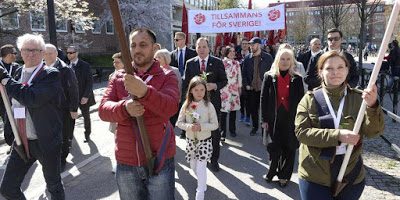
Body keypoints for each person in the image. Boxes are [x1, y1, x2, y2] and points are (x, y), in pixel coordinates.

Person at [98, 28, 179, 200]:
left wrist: (145, 92)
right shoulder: (118, 77)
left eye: (143, 45)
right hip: (126, 161)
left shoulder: (167, 75)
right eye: (133, 45)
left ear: (155, 47)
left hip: (160, 158)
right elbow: (103, 110)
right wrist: (124, 108)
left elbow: (171, 107)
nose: (137, 50)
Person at [295, 51, 384, 199]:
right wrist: (338, 136)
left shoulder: (359, 99)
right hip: (315, 174)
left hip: (350, 174)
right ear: (320, 72)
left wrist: (373, 106)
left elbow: (374, 132)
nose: (335, 72)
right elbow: (302, 133)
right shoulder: (308, 100)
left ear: (347, 70)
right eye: (329, 68)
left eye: (340, 67)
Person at [0, 33, 65, 199]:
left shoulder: (50, 74)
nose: (30, 54)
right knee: (7, 188)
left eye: (35, 50)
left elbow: (31, 98)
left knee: (54, 187)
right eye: (26, 50)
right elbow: (10, 104)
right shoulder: (15, 74)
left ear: (43, 53)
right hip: (21, 140)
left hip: (45, 142)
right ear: (20, 52)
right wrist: (10, 134)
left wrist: (6, 81)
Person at [260, 47, 304, 188]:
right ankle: (272, 171)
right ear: (278, 60)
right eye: (282, 59)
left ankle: (284, 176)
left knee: (289, 148)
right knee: (274, 147)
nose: (285, 62)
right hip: (274, 118)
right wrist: (264, 120)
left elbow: (301, 101)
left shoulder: (297, 79)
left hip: (291, 119)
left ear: (292, 61)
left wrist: (301, 121)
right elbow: (263, 98)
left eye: (288, 59)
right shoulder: (269, 76)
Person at [184, 37, 227, 172]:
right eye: (199, 47)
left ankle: (214, 160)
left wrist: (214, 85)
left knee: (214, 132)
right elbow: (186, 85)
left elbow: (224, 81)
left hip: (212, 104)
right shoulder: (190, 63)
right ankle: (198, 158)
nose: (201, 49)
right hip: (195, 106)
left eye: (204, 47)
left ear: (209, 48)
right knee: (197, 131)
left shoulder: (217, 62)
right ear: (195, 48)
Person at [176, 76, 218, 200]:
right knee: (193, 166)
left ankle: (200, 192)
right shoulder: (186, 105)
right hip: (190, 141)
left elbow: (215, 124)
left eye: (202, 90)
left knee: (201, 166)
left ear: (206, 91)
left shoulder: (208, 105)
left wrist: (202, 127)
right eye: (196, 90)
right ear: (191, 91)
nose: (199, 93)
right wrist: (189, 126)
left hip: (204, 141)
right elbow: (179, 123)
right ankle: (202, 181)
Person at [44, 44, 79, 170]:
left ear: (56, 54)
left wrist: (74, 109)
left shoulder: (65, 69)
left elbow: (73, 89)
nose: (47, 56)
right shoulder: (41, 68)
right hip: (47, 110)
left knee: (63, 135)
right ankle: (53, 158)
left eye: (50, 53)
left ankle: (62, 159)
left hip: (62, 109)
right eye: (45, 53)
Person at [242, 37, 273, 136]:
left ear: (259, 45)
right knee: (253, 109)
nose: (250, 46)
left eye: (253, 44)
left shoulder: (268, 57)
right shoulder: (247, 58)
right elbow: (244, 73)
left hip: (264, 89)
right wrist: (246, 84)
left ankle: (265, 130)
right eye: (250, 44)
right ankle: (255, 127)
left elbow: (272, 72)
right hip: (252, 89)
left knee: (265, 110)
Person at [170, 32, 197, 139]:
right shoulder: (172, 54)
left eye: (177, 40)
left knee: (188, 107)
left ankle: (185, 131)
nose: (175, 42)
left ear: (184, 40)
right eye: (175, 40)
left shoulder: (192, 53)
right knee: (178, 107)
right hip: (176, 85)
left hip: (189, 84)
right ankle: (177, 128)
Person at [66, 46, 95, 142]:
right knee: (71, 118)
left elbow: (89, 82)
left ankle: (87, 135)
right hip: (72, 98)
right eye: (68, 53)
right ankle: (70, 136)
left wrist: (86, 96)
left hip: (83, 97)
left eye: (71, 52)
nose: (69, 54)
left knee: (86, 116)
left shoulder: (85, 65)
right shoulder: (67, 66)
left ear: (76, 53)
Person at [0, 44, 21, 145]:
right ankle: (13, 145)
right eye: (14, 53)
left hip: (16, 101)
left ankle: (22, 143)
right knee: (8, 123)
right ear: (8, 55)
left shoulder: (17, 67)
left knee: (20, 122)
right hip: (2, 102)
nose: (16, 55)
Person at [154, 48, 182, 126]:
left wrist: (178, 99)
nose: (157, 59)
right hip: (158, 103)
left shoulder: (174, 70)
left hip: (171, 102)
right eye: (156, 57)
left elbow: (179, 86)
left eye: (159, 57)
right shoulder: (153, 71)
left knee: (170, 125)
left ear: (166, 58)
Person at [108, 52, 125, 174]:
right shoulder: (111, 76)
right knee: (116, 138)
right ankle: (118, 162)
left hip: (125, 112)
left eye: (117, 62)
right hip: (115, 112)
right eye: (113, 62)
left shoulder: (129, 75)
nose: (115, 64)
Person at [220, 46, 242, 140]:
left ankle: (232, 130)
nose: (233, 53)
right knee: (223, 112)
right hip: (224, 89)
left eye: (234, 51)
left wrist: (240, 87)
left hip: (234, 89)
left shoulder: (237, 63)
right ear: (226, 52)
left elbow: (239, 76)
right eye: (230, 51)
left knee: (233, 111)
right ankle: (222, 133)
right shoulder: (221, 62)